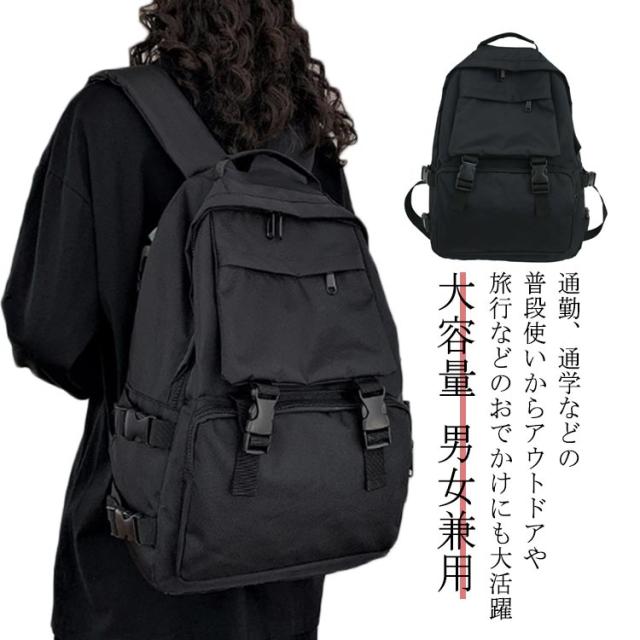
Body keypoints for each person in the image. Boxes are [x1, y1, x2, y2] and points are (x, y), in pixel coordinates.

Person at [2, 2, 357, 639]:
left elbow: (46, 329)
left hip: (137, 546)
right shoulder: (306, 139)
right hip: (284, 545)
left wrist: (137, 376)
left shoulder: (107, 117)